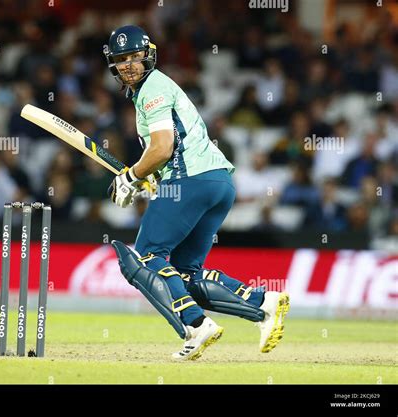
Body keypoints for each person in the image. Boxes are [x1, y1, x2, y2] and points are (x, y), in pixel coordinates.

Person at [105, 25, 290, 360]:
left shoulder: (153, 89)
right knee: (185, 275)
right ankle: (264, 302)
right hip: (217, 183)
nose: (129, 64)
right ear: (113, 65)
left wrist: (130, 176)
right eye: (121, 59)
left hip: (191, 180)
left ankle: (195, 326)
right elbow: (168, 153)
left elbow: (163, 148)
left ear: (149, 55)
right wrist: (150, 179)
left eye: (134, 56)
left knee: (146, 256)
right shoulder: (151, 91)